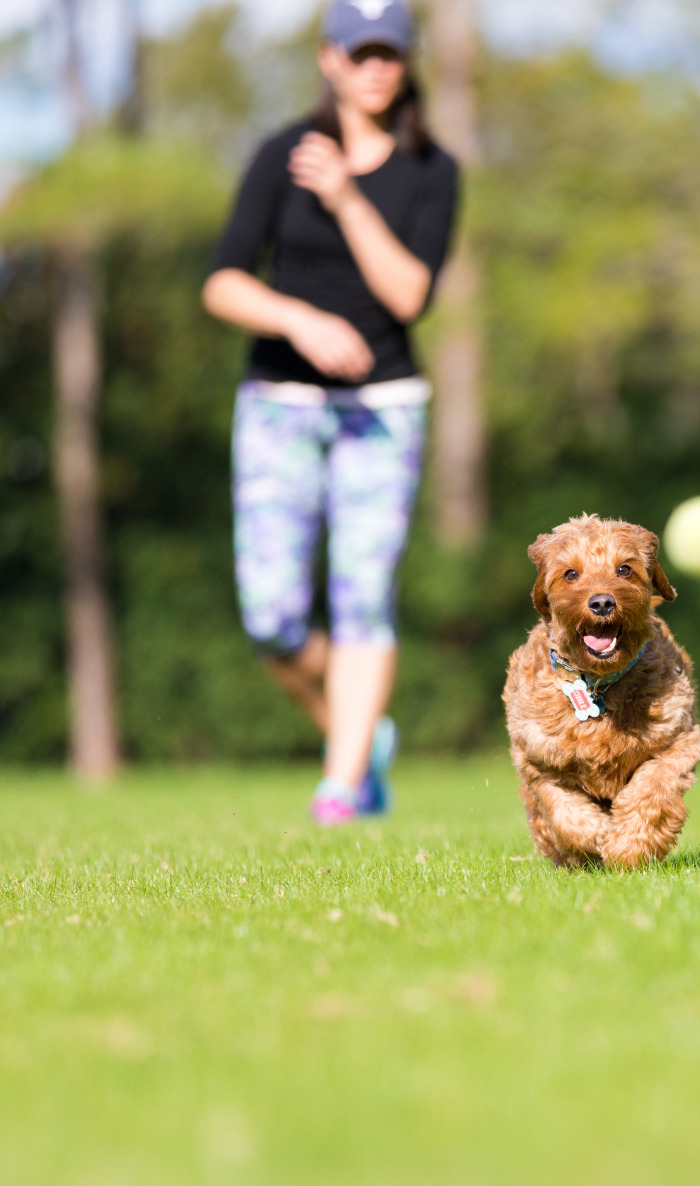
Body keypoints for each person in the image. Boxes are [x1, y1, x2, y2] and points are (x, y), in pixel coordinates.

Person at [202, 0, 458, 825]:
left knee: (362, 598)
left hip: (382, 408)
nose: (374, 67)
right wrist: (298, 319)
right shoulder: (281, 155)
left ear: (407, 61)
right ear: (328, 59)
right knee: (273, 617)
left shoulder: (432, 169)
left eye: (388, 53)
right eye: (359, 52)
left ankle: (341, 786)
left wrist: (349, 199)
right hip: (278, 403)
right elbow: (224, 282)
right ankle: (357, 737)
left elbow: (410, 294)